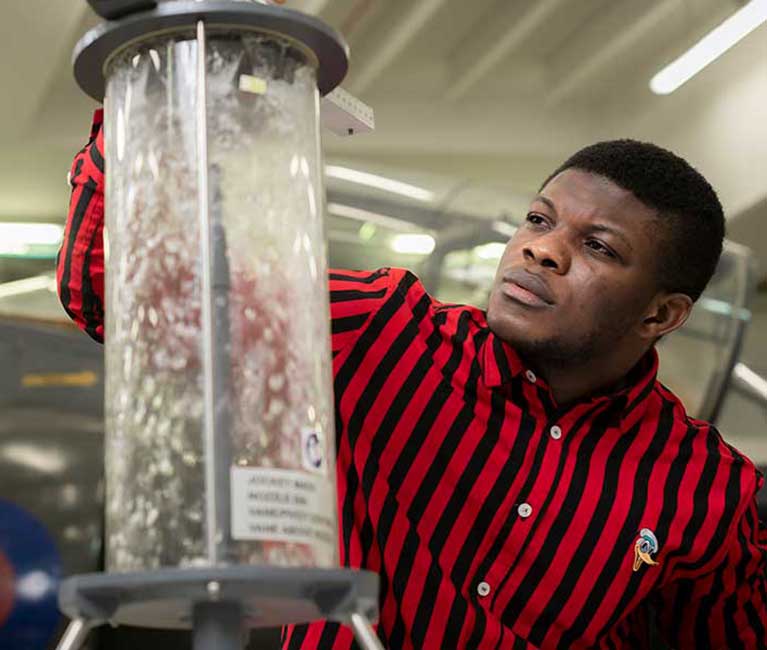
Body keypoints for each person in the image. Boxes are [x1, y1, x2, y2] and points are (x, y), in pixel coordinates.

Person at [58, 109, 767, 649]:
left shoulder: (709, 489)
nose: (540, 250)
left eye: (597, 247)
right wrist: (152, 81)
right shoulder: (386, 332)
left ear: (661, 313)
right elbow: (121, 292)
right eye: (538, 219)